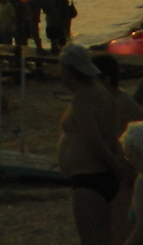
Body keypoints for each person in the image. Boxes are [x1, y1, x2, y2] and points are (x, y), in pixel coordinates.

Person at [58, 44, 136, 245]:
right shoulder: (104, 94)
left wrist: (118, 168)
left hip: (90, 179)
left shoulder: (83, 99)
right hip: (102, 177)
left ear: (68, 71)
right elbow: (111, 137)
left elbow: (94, 141)